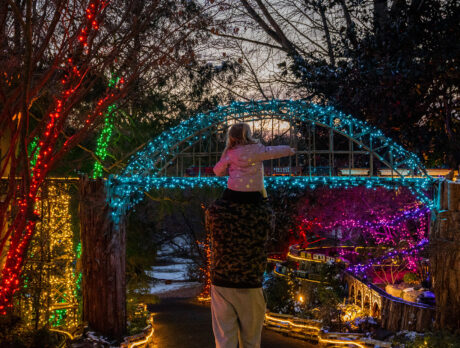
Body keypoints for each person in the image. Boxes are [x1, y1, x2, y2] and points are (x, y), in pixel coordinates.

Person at [207, 123, 294, 348]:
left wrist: (223, 163)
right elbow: (276, 151)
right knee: (250, 343)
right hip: (250, 285)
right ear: (248, 134)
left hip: (222, 283)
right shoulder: (264, 214)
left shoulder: (216, 211)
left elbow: (217, 170)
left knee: (224, 343)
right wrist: (291, 149)